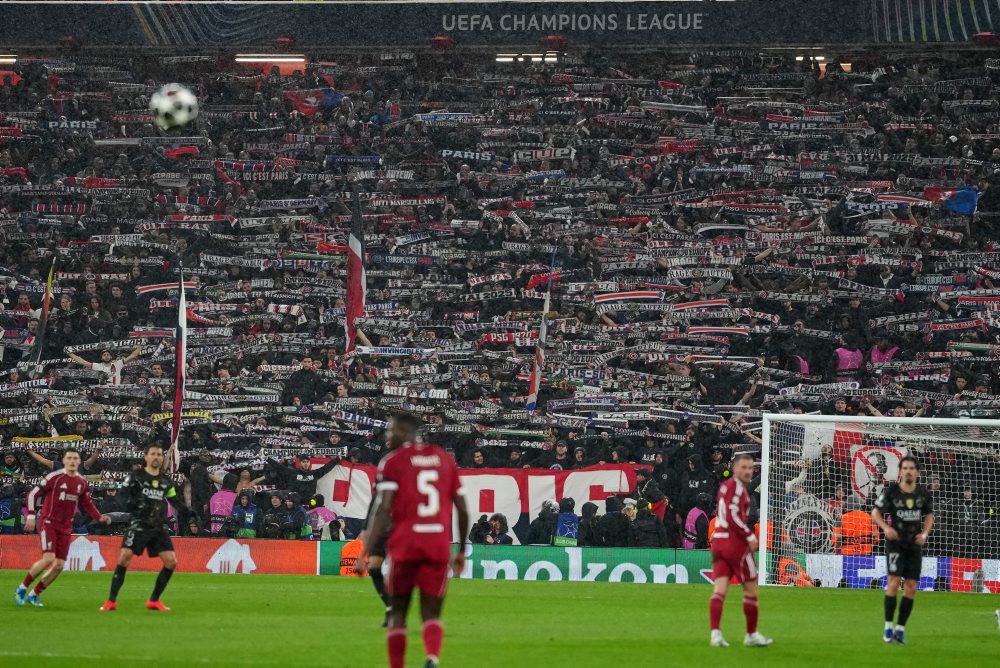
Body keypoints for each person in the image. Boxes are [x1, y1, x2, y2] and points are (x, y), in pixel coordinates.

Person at [357, 414, 470, 668]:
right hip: (437, 545)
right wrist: (461, 549)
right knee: (432, 612)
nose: (388, 436)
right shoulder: (443, 458)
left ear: (405, 431)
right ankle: (432, 657)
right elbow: (462, 509)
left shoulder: (393, 461)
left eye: (391, 430)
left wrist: (364, 550)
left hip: (406, 543)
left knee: (398, 613)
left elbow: (383, 510)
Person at [15, 448, 111, 606]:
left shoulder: (81, 482)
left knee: (59, 565)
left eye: (75, 458)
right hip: (48, 523)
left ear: (79, 462)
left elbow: (87, 503)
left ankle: (34, 594)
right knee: (49, 559)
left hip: (65, 527)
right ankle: (22, 587)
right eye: (69, 458)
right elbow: (32, 494)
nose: (72, 461)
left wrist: (99, 517)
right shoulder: (55, 477)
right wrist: (31, 516)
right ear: (64, 461)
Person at [100, 443, 189, 612]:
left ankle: (154, 601)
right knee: (124, 557)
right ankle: (111, 601)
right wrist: (132, 505)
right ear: (146, 457)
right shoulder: (136, 476)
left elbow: (174, 500)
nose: (156, 457)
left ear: (162, 458)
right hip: (138, 525)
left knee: (171, 562)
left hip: (158, 527)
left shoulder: (165, 481)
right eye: (153, 454)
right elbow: (122, 495)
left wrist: (187, 511)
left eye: (159, 454)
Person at [708, 452, 772, 648]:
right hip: (734, 544)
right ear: (735, 468)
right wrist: (748, 535)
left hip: (718, 542)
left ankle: (716, 634)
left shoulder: (725, 487)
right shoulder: (736, 488)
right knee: (751, 589)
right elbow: (732, 514)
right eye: (743, 467)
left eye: (750, 468)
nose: (747, 471)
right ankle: (751, 634)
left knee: (720, 589)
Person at [871, 456, 934, 644]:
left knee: (911, 587)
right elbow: (875, 512)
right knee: (893, 582)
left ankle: (900, 629)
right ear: (901, 471)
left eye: (911, 468)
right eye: (905, 468)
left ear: (917, 472)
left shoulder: (923, 493)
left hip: (914, 545)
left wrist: (924, 534)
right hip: (896, 543)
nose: (908, 471)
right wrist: (885, 528)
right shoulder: (892, 491)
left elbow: (929, 515)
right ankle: (888, 627)